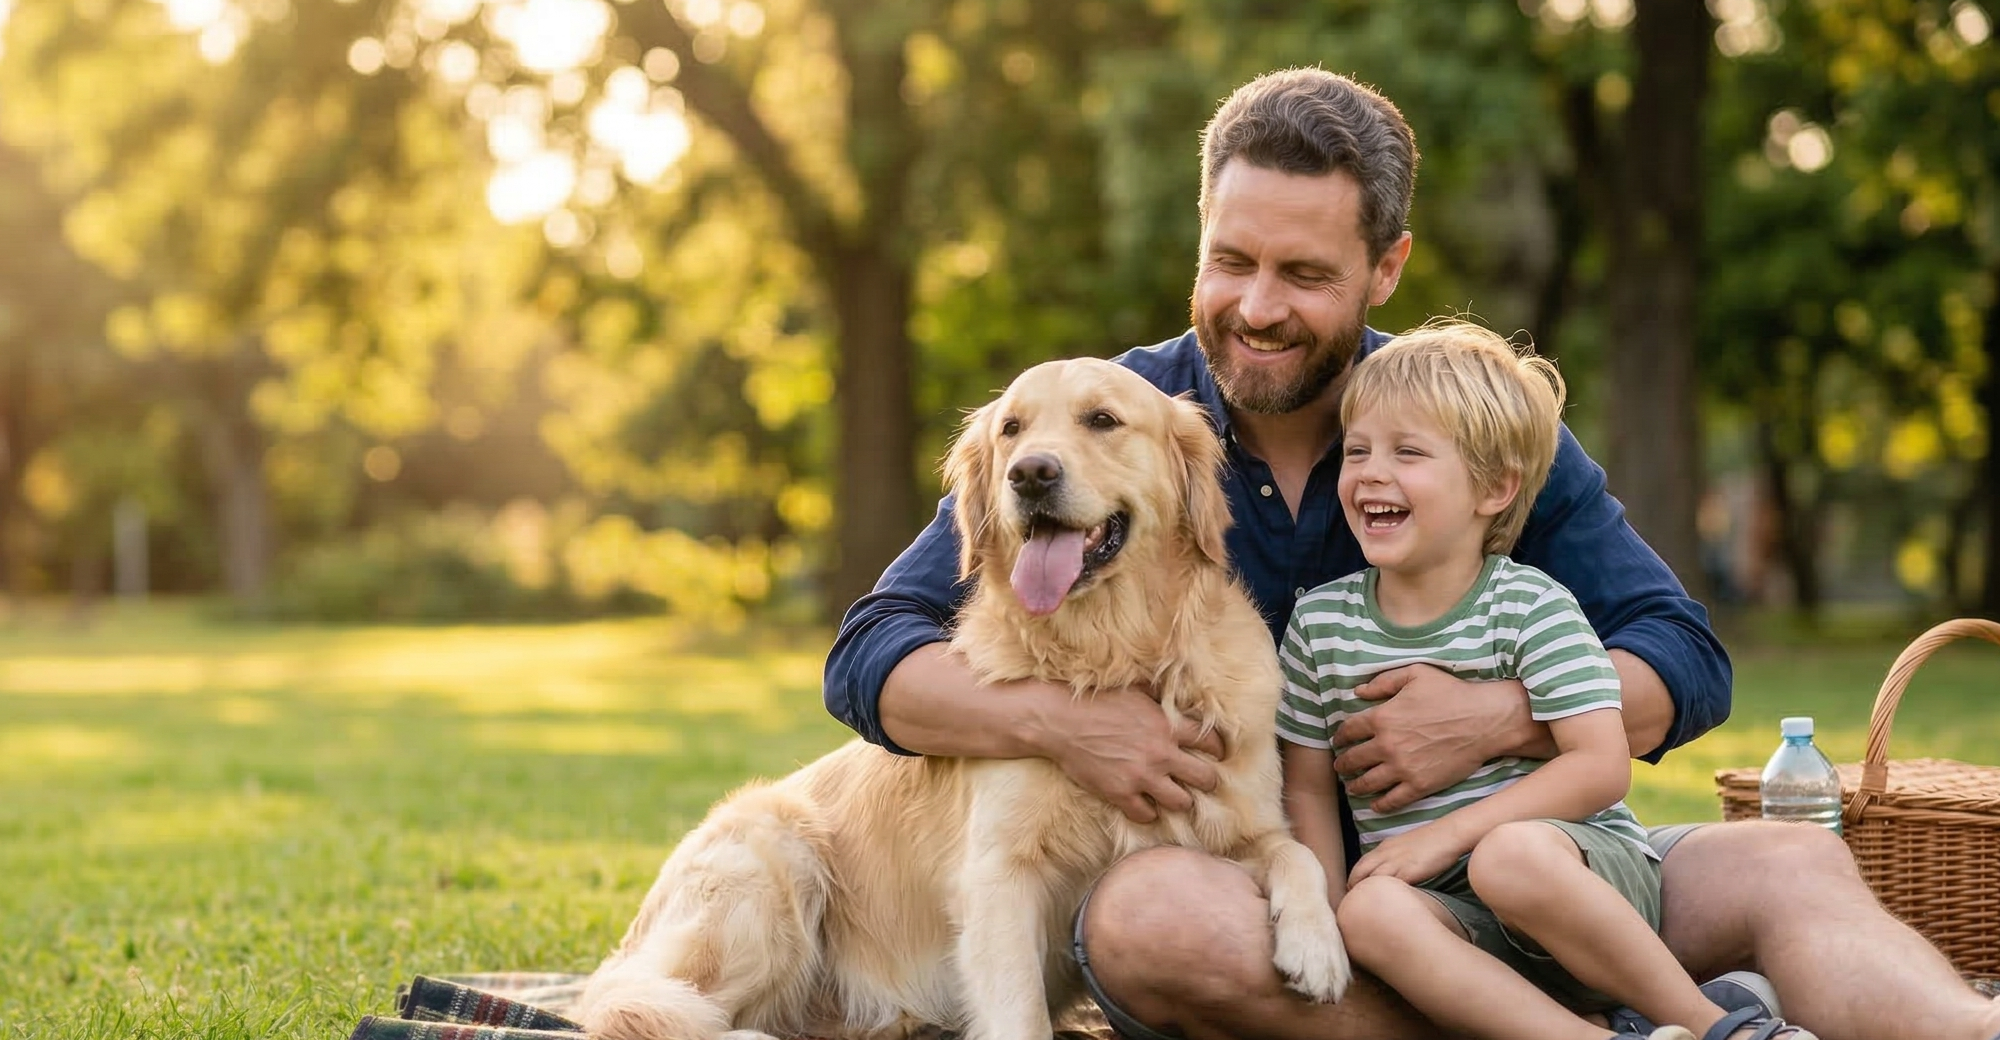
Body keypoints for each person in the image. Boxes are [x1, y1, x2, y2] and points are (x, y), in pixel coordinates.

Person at [823, 66, 2000, 1040]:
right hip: (1304, 912)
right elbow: (870, 656)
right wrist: (1064, 723)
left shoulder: (1456, 417)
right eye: (1231, 260)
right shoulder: (1115, 419)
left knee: (1787, 868)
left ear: (1385, 269)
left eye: (1307, 273)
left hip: (1522, 864)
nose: (1257, 305)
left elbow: (1683, 656)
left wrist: (1496, 718)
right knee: (1148, 918)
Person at [1279, 321, 1800, 1040]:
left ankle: (1714, 1024)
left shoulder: (1530, 605)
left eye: (1408, 452)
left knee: (1509, 855)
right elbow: (1306, 784)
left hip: (1576, 878)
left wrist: (1447, 836)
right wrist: (1328, 909)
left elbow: (1601, 765)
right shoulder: (1319, 626)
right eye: (1358, 450)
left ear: (1495, 487)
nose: (1370, 472)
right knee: (1367, 913)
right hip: (1453, 915)